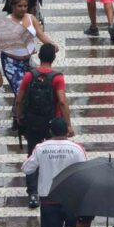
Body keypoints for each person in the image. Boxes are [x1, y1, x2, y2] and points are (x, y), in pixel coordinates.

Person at [16, 43, 73, 209]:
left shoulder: (29, 75)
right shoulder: (57, 78)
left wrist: (19, 116)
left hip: (32, 122)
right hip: (51, 123)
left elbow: (19, 99)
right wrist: (68, 124)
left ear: (39, 57)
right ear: (53, 58)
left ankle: (33, 194)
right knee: (52, 154)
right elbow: (62, 101)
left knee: (33, 154)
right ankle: (53, 188)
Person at [0, 0, 55, 133]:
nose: (22, 9)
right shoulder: (6, 22)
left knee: (30, 88)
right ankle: (21, 118)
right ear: (13, 6)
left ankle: (17, 116)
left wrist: (52, 44)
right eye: (19, 6)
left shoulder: (32, 18)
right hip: (10, 61)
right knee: (20, 89)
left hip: (28, 60)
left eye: (25, 6)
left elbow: (40, 34)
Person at [22, 117, 87, 227]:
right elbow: (85, 172)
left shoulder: (41, 148)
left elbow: (27, 169)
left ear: (50, 131)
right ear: (66, 131)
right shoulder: (77, 148)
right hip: (71, 199)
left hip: (48, 199)